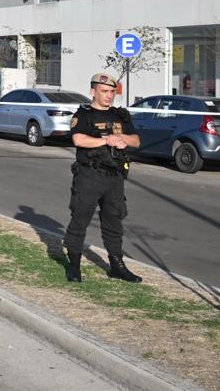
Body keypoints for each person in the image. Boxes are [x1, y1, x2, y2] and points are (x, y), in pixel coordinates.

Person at [62, 72, 143, 284]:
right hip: (90, 174)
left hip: (115, 176)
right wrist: (106, 140)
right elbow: (79, 139)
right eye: (104, 91)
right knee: (80, 217)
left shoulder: (121, 115)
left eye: (112, 92)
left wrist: (122, 138)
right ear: (93, 91)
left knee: (114, 220)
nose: (109, 96)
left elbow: (136, 141)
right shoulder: (84, 115)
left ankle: (117, 266)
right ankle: (74, 265)